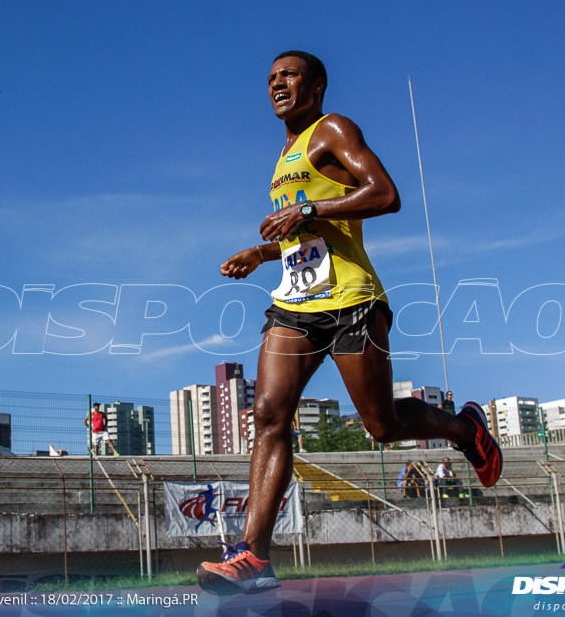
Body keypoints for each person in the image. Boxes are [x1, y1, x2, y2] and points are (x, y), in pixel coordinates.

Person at [196, 51, 502, 595]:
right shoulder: (284, 154)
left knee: (381, 426)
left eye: (288, 75)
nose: (276, 84)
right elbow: (305, 237)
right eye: (270, 79)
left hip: (351, 300)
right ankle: (252, 557)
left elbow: (386, 195)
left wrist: (310, 211)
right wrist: (262, 253)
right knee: (268, 415)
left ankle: (462, 428)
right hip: (295, 304)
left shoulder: (331, 129)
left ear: (317, 85)